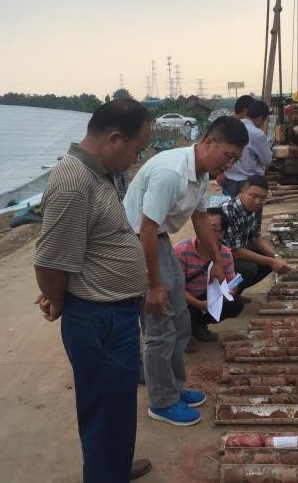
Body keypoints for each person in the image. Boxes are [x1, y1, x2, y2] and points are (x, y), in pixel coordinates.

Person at [33, 99, 152, 482]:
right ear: (114, 139)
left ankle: (114, 466)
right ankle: (104, 473)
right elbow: (49, 262)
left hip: (115, 314)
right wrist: (57, 298)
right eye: (135, 150)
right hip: (98, 318)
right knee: (103, 408)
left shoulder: (97, 174)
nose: (134, 160)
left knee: (118, 401)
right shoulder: (73, 182)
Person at [123, 116, 248, 426]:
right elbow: (145, 228)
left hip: (157, 236)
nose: (230, 165)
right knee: (160, 325)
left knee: (179, 319)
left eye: (235, 159)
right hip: (136, 239)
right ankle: (162, 402)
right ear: (209, 143)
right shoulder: (171, 173)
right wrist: (154, 285)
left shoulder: (201, 173)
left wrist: (217, 263)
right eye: (228, 156)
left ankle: (175, 388)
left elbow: (200, 218)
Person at [174, 207, 244, 343]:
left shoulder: (225, 253)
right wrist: (199, 304)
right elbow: (176, 289)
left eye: (212, 229)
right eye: (202, 227)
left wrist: (229, 291)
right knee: (185, 312)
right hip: (184, 298)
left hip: (207, 296)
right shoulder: (181, 251)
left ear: (221, 233)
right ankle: (185, 332)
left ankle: (197, 326)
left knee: (236, 303)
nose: (205, 232)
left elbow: (231, 283)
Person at [220, 174, 291, 295]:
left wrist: (276, 257)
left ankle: (236, 292)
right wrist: (271, 261)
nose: (257, 201)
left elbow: (256, 237)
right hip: (218, 257)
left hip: (234, 250)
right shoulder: (229, 210)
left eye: (262, 198)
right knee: (250, 268)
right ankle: (226, 295)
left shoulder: (252, 208)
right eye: (253, 196)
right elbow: (235, 251)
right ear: (243, 191)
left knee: (270, 258)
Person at [220, 100, 273, 198]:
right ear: (260, 118)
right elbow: (267, 160)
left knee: (231, 207)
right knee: (251, 207)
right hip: (251, 183)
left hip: (229, 180)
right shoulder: (257, 134)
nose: (262, 124)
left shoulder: (230, 128)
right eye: (264, 121)